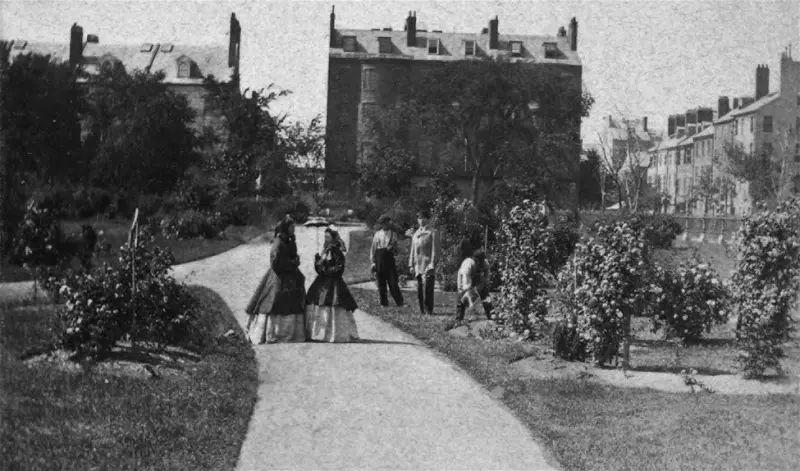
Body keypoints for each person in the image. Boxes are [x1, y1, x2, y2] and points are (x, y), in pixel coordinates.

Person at [245, 218, 307, 344]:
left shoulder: (289, 241)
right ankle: (273, 333)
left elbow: (292, 255)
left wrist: (295, 260)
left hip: (291, 276)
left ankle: (291, 333)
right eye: (291, 228)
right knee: (275, 299)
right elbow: (275, 263)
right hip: (279, 276)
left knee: (293, 300)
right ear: (285, 228)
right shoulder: (278, 242)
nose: (293, 230)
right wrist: (292, 263)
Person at [305, 228, 360, 342]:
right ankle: (319, 334)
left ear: (334, 238)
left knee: (334, 303)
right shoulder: (324, 251)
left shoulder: (337, 252)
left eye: (328, 237)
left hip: (333, 283)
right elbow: (319, 269)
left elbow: (339, 270)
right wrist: (317, 262)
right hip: (322, 282)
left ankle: (335, 334)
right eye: (325, 237)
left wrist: (325, 269)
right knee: (318, 302)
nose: (326, 239)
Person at [409, 209, 440, 315]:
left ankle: (429, 309)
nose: (420, 220)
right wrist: (411, 264)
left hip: (427, 264)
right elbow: (412, 250)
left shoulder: (433, 232)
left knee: (428, 288)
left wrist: (432, 264)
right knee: (419, 288)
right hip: (418, 264)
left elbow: (435, 250)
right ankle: (422, 309)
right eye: (418, 218)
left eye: (422, 218)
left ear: (427, 219)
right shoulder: (416, 233)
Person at [371, 215, 404, 307]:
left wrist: (394, 247)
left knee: (393, 282)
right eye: (383, 223)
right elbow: (373, 249)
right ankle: (383, 303)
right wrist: (373, 262)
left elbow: (397, 251)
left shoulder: (393, 234)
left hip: (389, 260)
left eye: (386, 222)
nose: (385, 224)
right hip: (379, 259)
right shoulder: (377, 234)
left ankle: (400, 302)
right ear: (381, 224)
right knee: (381, 282)